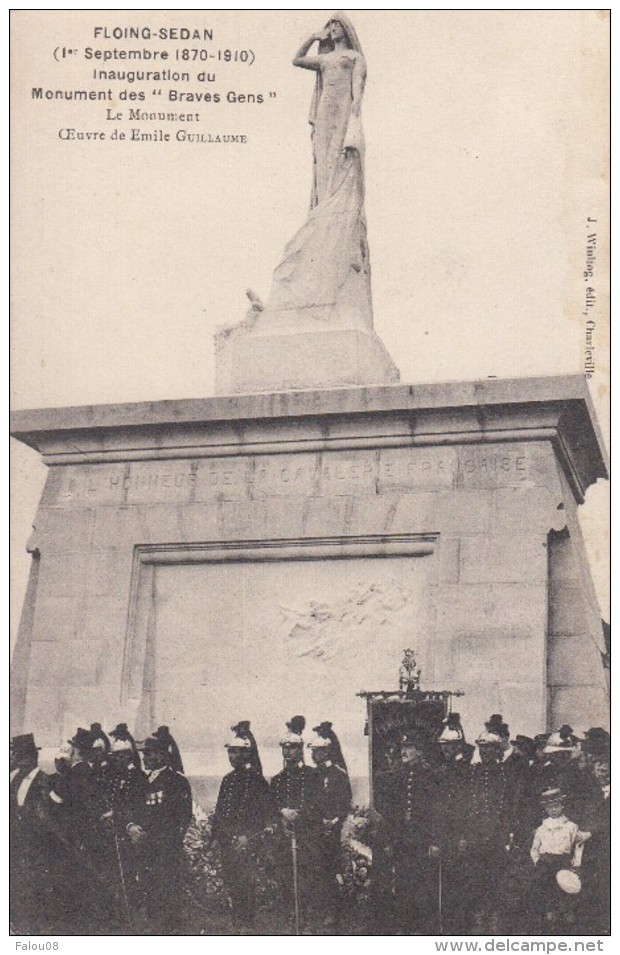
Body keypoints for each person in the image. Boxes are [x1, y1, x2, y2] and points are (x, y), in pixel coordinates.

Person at [265, 14, 372, 329]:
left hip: (342, 113)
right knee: (321, 160)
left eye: (338, 25)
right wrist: (313, 36)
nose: (335, 29)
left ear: (347, 31)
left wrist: (354, 123)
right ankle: (323, 202)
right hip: (325, 112)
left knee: (337, 159)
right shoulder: (325, 59)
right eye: (332, 26)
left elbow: (357, 96)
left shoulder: (354, 58)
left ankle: (330, 202)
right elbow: (297, 60)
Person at [126, 734, 192, 934]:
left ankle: (169, 929)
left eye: (150, 754)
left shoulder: (176, 781)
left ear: (162, 755)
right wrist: (131, 826)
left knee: (167, 886)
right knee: (148, 884)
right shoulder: (140, 780)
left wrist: (155, 836)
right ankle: (154, 925)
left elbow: (182, 816)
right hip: (143, 846)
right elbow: (131, 808)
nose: (145, 758)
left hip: (165, 848)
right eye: (145, 754)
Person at [211, 733, 274, 930]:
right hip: (227, 841)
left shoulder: (256, 780)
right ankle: (237, 921)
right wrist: (216, 836)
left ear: (246, 754)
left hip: (246, 841)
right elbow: (220, 811)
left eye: (236, 752)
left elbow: (262, 813)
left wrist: (248, 836)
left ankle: (247, 922)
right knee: (231, 879)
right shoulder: (227, 780)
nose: (232, 756)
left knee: (245, 881)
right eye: (230, 752)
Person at [270, 725, 323, 931]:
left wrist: (299, 815)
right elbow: (270, 805)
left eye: (292, 748)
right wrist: (282, 811)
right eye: (284, 748)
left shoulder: (313, 776)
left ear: (300, 750)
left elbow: (319, 804)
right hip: (286, 836)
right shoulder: (277, 780)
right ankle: (291, 916)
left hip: (307, 836)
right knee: (286, 878)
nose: (288, 752)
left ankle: (308, 919)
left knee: (308, 877)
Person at [9, 733, 54, 932]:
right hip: (13, 839)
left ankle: (32, 923)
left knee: (31, 881)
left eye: (18, 755)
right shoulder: (12, 776)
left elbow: (44, 813)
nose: (15, 759)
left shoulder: (44, 780)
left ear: (29, 757)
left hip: (33, 841)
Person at [529, 788, 589, 930]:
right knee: (548, 891)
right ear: (545, 809)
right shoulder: (542, 828)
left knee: (563, 891)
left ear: (562, 806)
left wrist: (576, 864)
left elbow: (578, 846)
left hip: (562, 862)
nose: (553, 810)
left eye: (556, 806)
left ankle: (567, 919)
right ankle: (550, 917)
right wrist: (538, 861)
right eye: (550, 807)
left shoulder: (571, 826)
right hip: (545, 863)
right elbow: (534, 848)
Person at [308, 732, 352, 926]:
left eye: (317, 751)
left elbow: (345, 801)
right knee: (314, 871)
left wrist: (334, 820)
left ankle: (333, 912)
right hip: (314, 830)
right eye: (313, 751)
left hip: (332, 831)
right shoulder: (310, 774)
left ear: (326, 752)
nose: (313, 755)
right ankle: (317, 910)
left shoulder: (338, 774)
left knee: (331, 871)